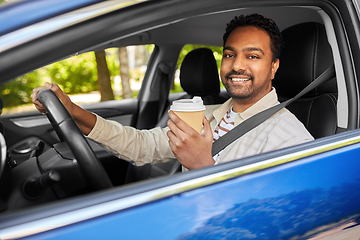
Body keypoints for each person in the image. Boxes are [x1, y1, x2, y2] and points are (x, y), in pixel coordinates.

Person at [31, 13, 313, 171]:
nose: (237, 65)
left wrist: (203, 165)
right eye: (229, 54)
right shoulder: (207, 114)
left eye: (252, 56)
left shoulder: (291, 139)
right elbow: (142, 146)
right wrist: (73, 111)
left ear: (274, 67)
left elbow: (270, 222)